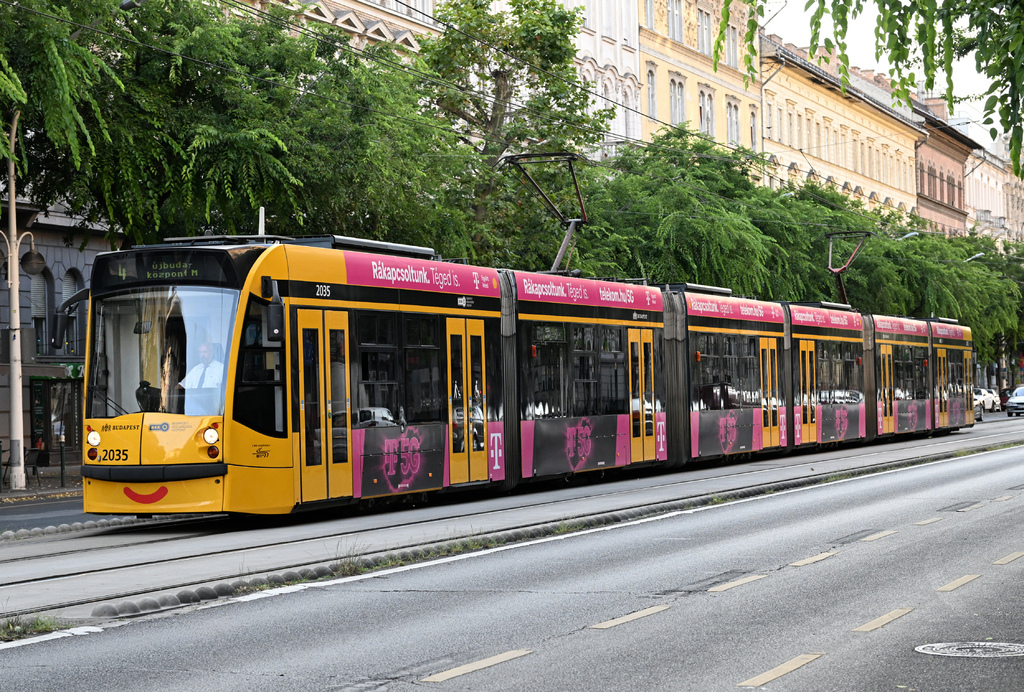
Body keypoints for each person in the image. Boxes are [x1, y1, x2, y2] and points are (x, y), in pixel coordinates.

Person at [180, 342, 224, 415]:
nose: (202, 355)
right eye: (200, 352)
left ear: (212, 352)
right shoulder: (195, 369)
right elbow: (182, 385)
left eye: (205, 352)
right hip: (193, 411)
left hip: (213, 412)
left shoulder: (221, 369)